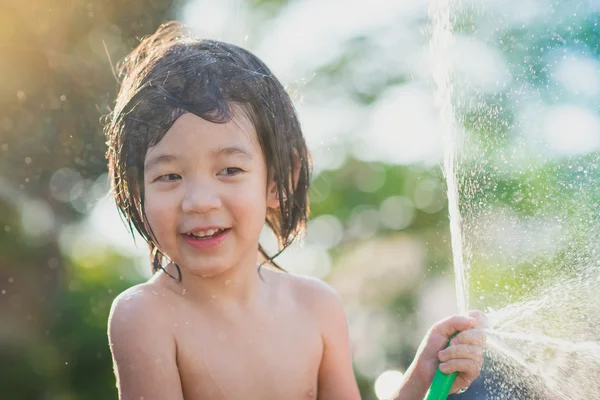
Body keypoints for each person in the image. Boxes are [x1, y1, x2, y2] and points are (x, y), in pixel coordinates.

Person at [105, 21, 485, 400]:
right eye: (170, 175)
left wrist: (421, 380)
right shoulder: (146, 318)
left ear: (277, 182)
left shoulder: (316, 308)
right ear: (138, 191)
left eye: (229, 170)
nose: (199, 200)